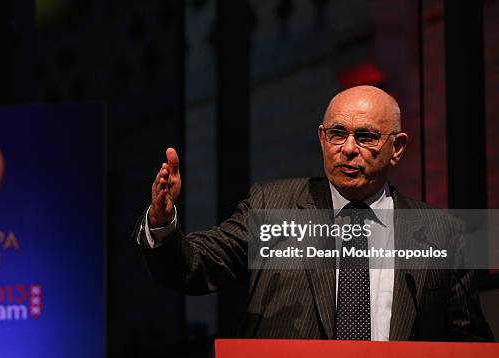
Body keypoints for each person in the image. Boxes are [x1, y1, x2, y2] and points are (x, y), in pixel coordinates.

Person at [133, 85, 494, 341]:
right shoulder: (273, 207)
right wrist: (162, 223)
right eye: (337, 134)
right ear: (322, 138)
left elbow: (467, 343)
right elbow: (195, 266)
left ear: (397, 148)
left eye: (366, 136)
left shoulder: (441, 233)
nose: (348, 149)